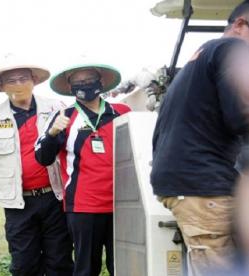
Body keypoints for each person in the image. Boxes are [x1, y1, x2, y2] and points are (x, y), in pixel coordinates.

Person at [150, 2, 249, 275]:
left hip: (188, 182)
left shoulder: (202, 57)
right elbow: (242, 116)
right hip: (205, 187)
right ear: (240, 25)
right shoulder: (233, 49)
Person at [0, 61, 74, 275]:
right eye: (11, 80)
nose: (18, 84)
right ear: (2, 86)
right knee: (23, 264)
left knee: (60, 260)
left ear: (34, 81)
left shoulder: (57, 107)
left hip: (55, 198)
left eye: (24, 78)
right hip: (18, 203)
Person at [35, 64, 130, 276]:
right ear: (69, 86)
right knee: (86, 267)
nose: (85, 84)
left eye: (90, 79)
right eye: (78, 81)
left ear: (101, 81)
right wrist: (52, 133)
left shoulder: (122, 112)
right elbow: (42, 157)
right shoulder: (63, 117)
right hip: (83, 206)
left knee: (123, 265)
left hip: (123, 204)